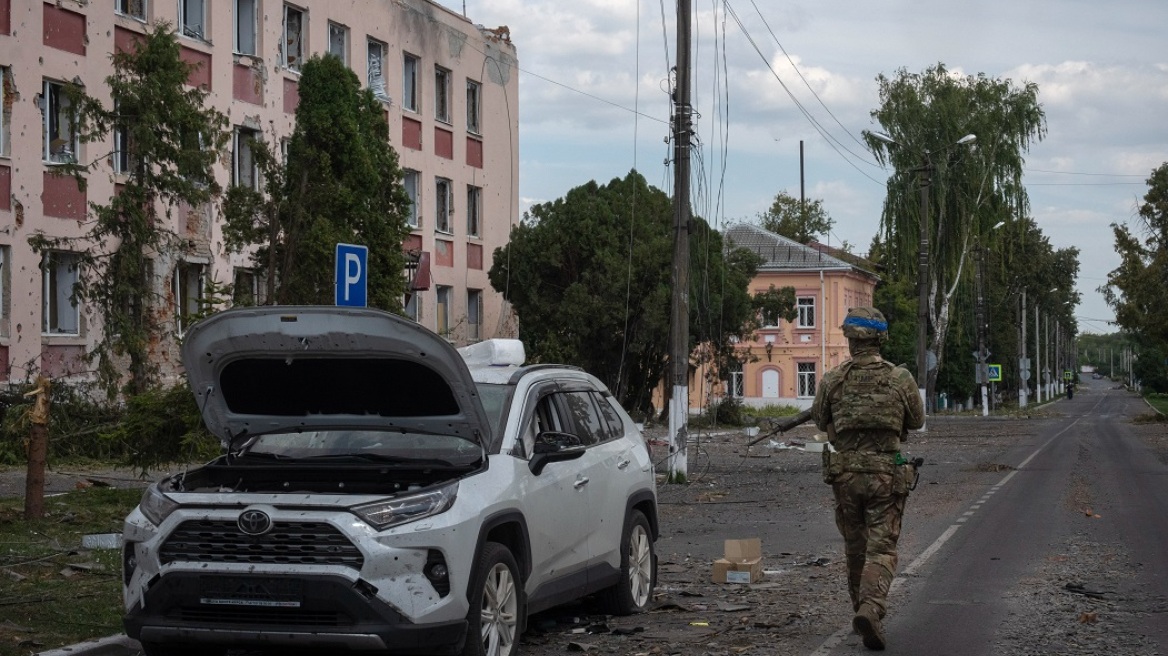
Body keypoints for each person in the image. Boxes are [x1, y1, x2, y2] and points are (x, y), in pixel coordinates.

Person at [810, 307, 925, 651]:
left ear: (849, 339)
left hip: (845, 476)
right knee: (882, 547)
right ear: (880, 338)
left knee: (855, 547)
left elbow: (819, 420)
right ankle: (871, 608)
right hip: (885, 477)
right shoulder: (899, 377)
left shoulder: (833, 378)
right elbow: (916, 421)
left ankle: (859, 610)